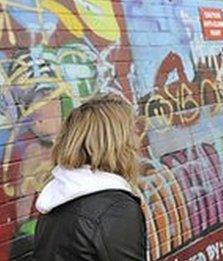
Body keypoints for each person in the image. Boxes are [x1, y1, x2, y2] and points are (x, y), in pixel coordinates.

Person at [32, 94, 147, 261]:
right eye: (132, 134)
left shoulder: (54, 196)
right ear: (116, 143)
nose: (138, 142)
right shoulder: (116, 208)